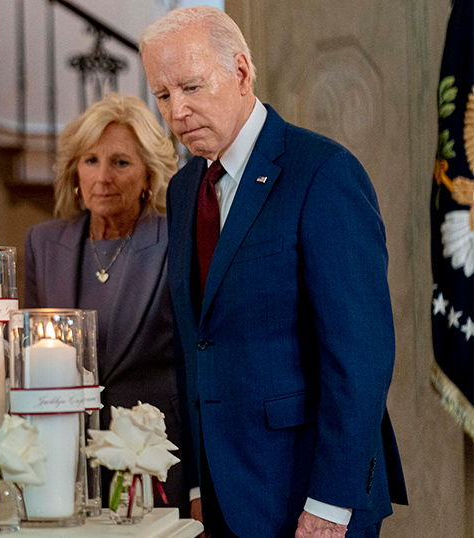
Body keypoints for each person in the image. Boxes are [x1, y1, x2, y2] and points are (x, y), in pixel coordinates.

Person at [138, 6, 407, 538]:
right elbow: (195, 348)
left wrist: (330, 504)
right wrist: (197, 485)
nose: (178, 111)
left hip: (310, 495)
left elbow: (361, 357)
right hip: (220, 497)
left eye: (192, 87)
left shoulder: (324, 174)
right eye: (163, 95)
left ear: (241, 73)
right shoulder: (185, 188)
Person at [23, 92, 193, 511]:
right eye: (91, 160)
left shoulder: (177, 240)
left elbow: (197, 366)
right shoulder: (43, 243)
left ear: (148, 175)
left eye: (121, 162)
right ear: (75, 172)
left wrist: (200, 487)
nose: (103, 178)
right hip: (66, 456)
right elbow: (25, 359)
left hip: (156, 455)